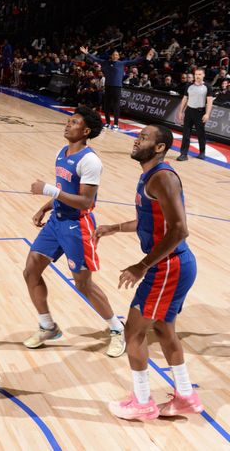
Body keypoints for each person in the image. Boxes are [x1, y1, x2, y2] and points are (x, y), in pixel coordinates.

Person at [96, 125, 202, 420]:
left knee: (133, 331)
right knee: (164, 328)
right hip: (176, 264)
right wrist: (114, 228)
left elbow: (180, 230)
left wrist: (142, 266)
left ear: (159, 148)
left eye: (143, 138)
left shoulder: (163, 178)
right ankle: (185, 396)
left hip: (167, 266)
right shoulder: (152, 177)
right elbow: (150, 221)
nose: (136, 140)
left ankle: (142, 402)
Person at [23, 105, 126, 357]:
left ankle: (116, 329)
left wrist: (49, 191)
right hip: (56, 222)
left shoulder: (90, 161)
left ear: (86, 130)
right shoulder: (62, 151)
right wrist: (46, 207)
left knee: (83, 284)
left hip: (76, 227)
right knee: (31, 270)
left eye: (74, 122)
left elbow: (85, 202)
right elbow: (64, 188)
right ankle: (48, 326)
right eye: (68, 121)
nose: (68, 125)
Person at [80, 46, 155, 130]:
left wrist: (146, 56)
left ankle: (116, 124)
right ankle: (107, 123)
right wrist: (87, 53)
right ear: (111, 56)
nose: (115, 56)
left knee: (116, 106)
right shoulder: (105, 62)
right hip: (108, 86)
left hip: (117, 87)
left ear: (118, 57)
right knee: (106, 106)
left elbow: (135, 60)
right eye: (114, 54)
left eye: (117, 55)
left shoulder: (122, 63)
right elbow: (96, 59)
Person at [176, 67, 214, 161]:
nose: (197, 76)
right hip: (189, 111)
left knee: (201, 134)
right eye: (196, 74)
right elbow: (185, 99)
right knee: (186, 134)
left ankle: (202, 152)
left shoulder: (207, 87)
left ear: (203, 75)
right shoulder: (189, 85)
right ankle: (183, 154)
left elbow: (209, 102)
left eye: (200, 74)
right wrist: (181, 111)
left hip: (200, 112)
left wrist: (207, 114)